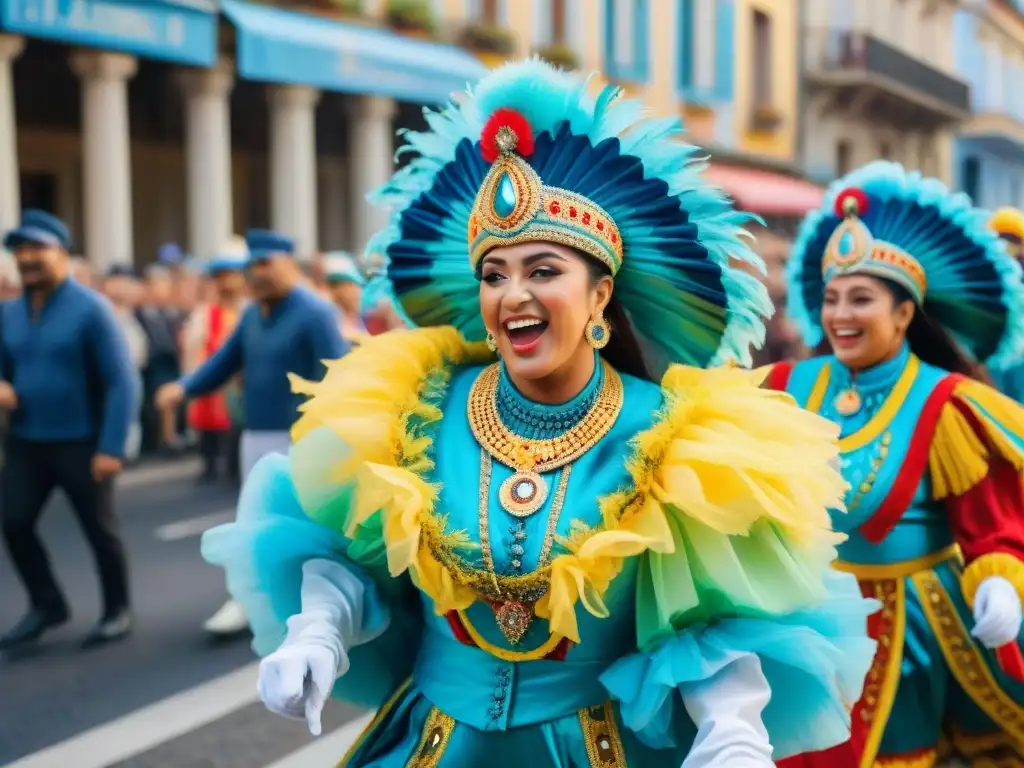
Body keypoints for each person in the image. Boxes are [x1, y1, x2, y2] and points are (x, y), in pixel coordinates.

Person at [200, 60, 877, 765]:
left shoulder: (680, 441)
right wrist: (319, 630)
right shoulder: (413, 411)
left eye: (543, 271)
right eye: (495, 275)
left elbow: (704, 623)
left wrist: (731, 730)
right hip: (436, 744)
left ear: (599, 294)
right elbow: (356, 557)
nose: (512, 295)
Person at [767, 161, 1024, 768]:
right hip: (804, 623)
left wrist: (997, 581)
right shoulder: (780, 386)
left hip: (907, 630)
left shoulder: (948, 404)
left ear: (905, 313)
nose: (841, 316)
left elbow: (989, 525)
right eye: (831, 299)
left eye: (862, 299)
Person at [156, 228, 347, 637]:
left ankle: (302, 601)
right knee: (258, 525)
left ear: (288, 264)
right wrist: (185, 388)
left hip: (301, 441)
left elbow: (337, 377)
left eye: (265, 264)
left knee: (300, 528)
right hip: (256, 437)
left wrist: (321, 440)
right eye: (251, 265)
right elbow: (224, 362)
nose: (255, 273)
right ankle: (253, 598)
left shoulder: (314, 312)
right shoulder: (251, 315)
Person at [0, 210, 138, 651]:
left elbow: (122, 380)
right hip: (26, 440)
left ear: (62, 252)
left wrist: (112, 445)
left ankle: (117, 609)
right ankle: (47, 604)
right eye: (20, 251)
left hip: (83, 442)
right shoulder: (9, 313)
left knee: (100, 531)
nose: (27, 258)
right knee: (13, 521)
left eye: (37, 248)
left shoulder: (91, 308)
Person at [183, 238, 248, 484]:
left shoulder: (248, 311)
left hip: (238, 381)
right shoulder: (206, 313)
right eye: (222, 275)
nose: (227, 281)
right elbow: (195, 345)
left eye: (232, 274)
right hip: (213, 371)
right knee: (207, 419)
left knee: (236, 423)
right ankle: (210, 460)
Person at [987, 207, 1024, 404]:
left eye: (1013, 240)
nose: (1007, 246)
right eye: (1001, 238)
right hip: (992, 354)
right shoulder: (985, 277)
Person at [322, 251, 367, 344]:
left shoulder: (364, 315)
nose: (357, 291)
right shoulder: (329, 316)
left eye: (358, 285)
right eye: (350, 285)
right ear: (335, 289)